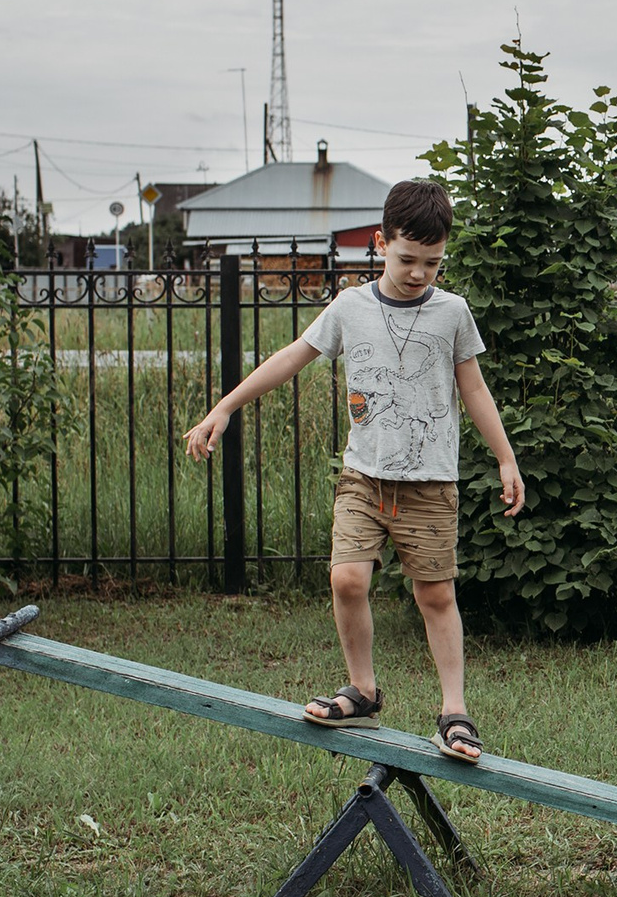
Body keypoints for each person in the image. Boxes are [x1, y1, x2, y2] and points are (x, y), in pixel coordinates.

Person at [183, 180, 525, 763]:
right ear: (379, 244)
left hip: (429, 483)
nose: (419, 274)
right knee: (347, 579)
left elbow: (473, 387)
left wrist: (505, 456)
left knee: (435, 593)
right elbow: (291, 357)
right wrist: (225, 406)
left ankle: (453, 711)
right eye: (407, 259)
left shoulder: (452, 313)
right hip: (363, 478)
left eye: (432, 263)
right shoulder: (349, 308)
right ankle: (363, 691)